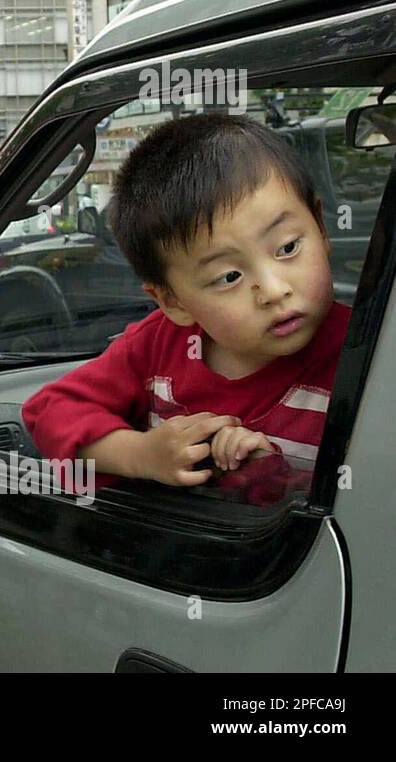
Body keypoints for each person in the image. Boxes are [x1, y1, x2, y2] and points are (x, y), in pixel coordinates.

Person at [23, 116, 351, 504]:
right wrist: (143, 455)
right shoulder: (158, 345)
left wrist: (269, 475)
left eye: (288, 248)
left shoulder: (369, 352)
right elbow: (49, 411)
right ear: (173, 302)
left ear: (320, 227)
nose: (275, 290)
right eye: (229, 276)